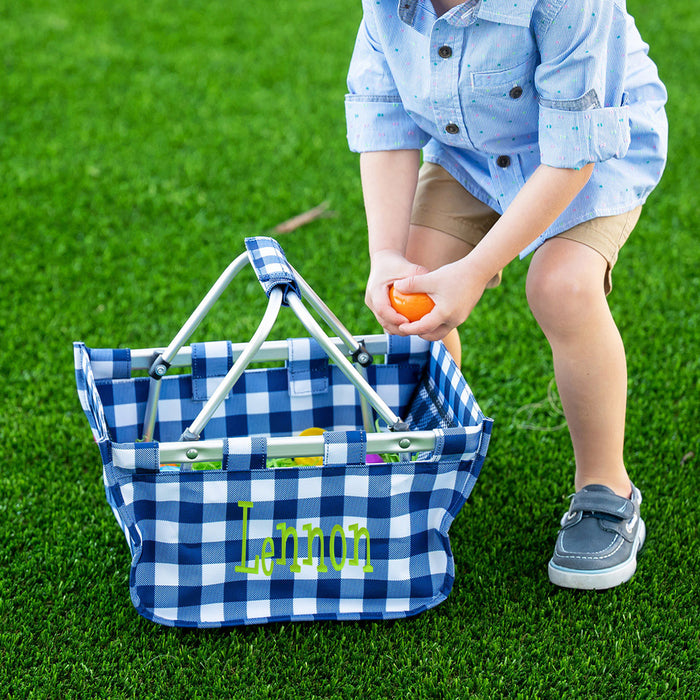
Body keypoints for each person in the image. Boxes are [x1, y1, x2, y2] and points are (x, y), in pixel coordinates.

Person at [345, 0, 667, 589]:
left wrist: (474, 270)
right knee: (405, 297)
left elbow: (573, 152)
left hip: (588, 153)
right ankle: (424, 459)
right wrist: (387, 258)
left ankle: (605, 488)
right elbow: (383, 113)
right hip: (472, 154)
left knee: (562, 287)